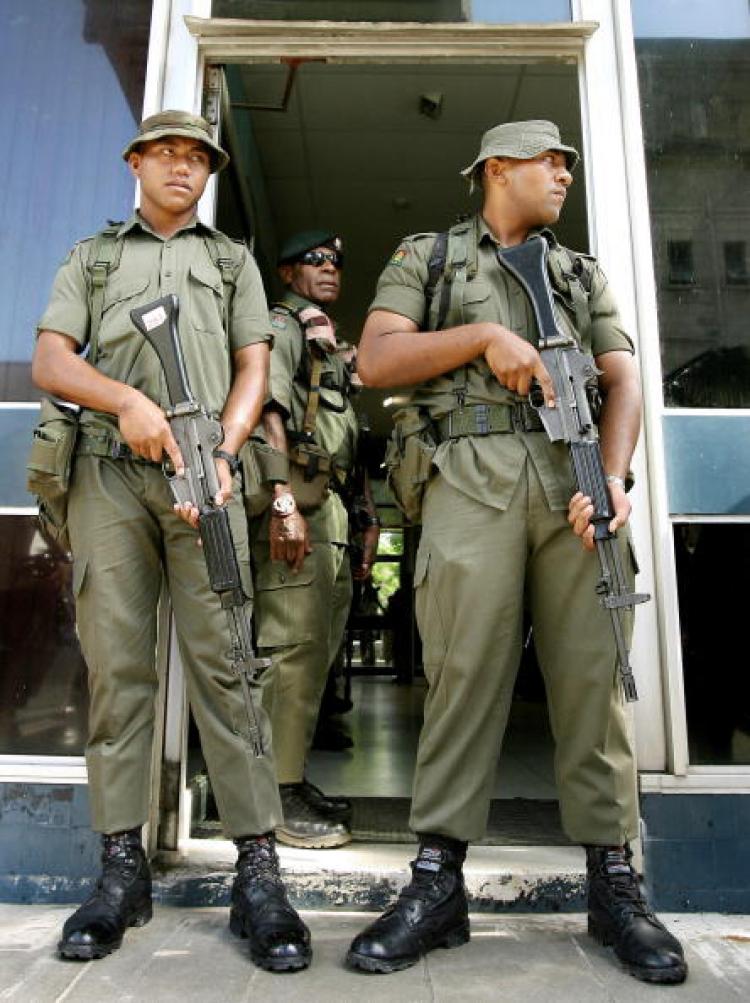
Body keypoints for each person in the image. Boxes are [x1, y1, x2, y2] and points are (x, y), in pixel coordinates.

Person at [345, 120, 687, 985]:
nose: (566, 173)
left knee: (592, 681)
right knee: (463, 676)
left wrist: (614, 477)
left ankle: (612, 883)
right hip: (472, 480)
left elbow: (624, 376)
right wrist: (482, 339)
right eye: (551, 160)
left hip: (575, 484)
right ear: (497, 169)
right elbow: (376, 358)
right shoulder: (429, 257)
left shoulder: (578, 272)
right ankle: (438, 881)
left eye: (571, 160)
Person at [31, 110, 310, 973]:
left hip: (206, 476)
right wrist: (125, 401)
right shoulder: (95, 257)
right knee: (118, 667)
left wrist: (222, 453)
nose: (184, 169)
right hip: (110, 474)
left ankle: (257, 870)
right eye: (168, 155)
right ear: (137, 163)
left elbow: (253, 364)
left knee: (229, 665)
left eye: (198, 159)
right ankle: (122, 869)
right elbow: (51, 360)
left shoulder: (229, 260)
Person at [249, 230, 380, 849]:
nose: (330, 268)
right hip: (296, 504)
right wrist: (281, 503)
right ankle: (269, 793)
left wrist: (364, 519)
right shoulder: (280, 326)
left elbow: (345, 444)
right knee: (291, 647)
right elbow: (266, 410)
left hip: (327, 508)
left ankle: (290, 775)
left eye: (337, 261)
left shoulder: (324, 343)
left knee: (317, 648)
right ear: (286, 272)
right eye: (315, 260)